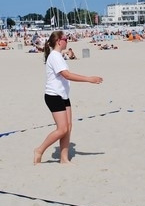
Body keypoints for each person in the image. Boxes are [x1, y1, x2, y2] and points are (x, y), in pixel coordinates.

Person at [34, 31, 103, 164]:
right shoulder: (54, 56)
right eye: (66, 38)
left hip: (63, 95)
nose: (67, 40)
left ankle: (64, 159)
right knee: (62, 129)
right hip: (53, 96)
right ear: (59, 41)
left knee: (68, 127)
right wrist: (89, 79)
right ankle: (39, 150)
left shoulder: (58, 55)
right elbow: (67, 75)